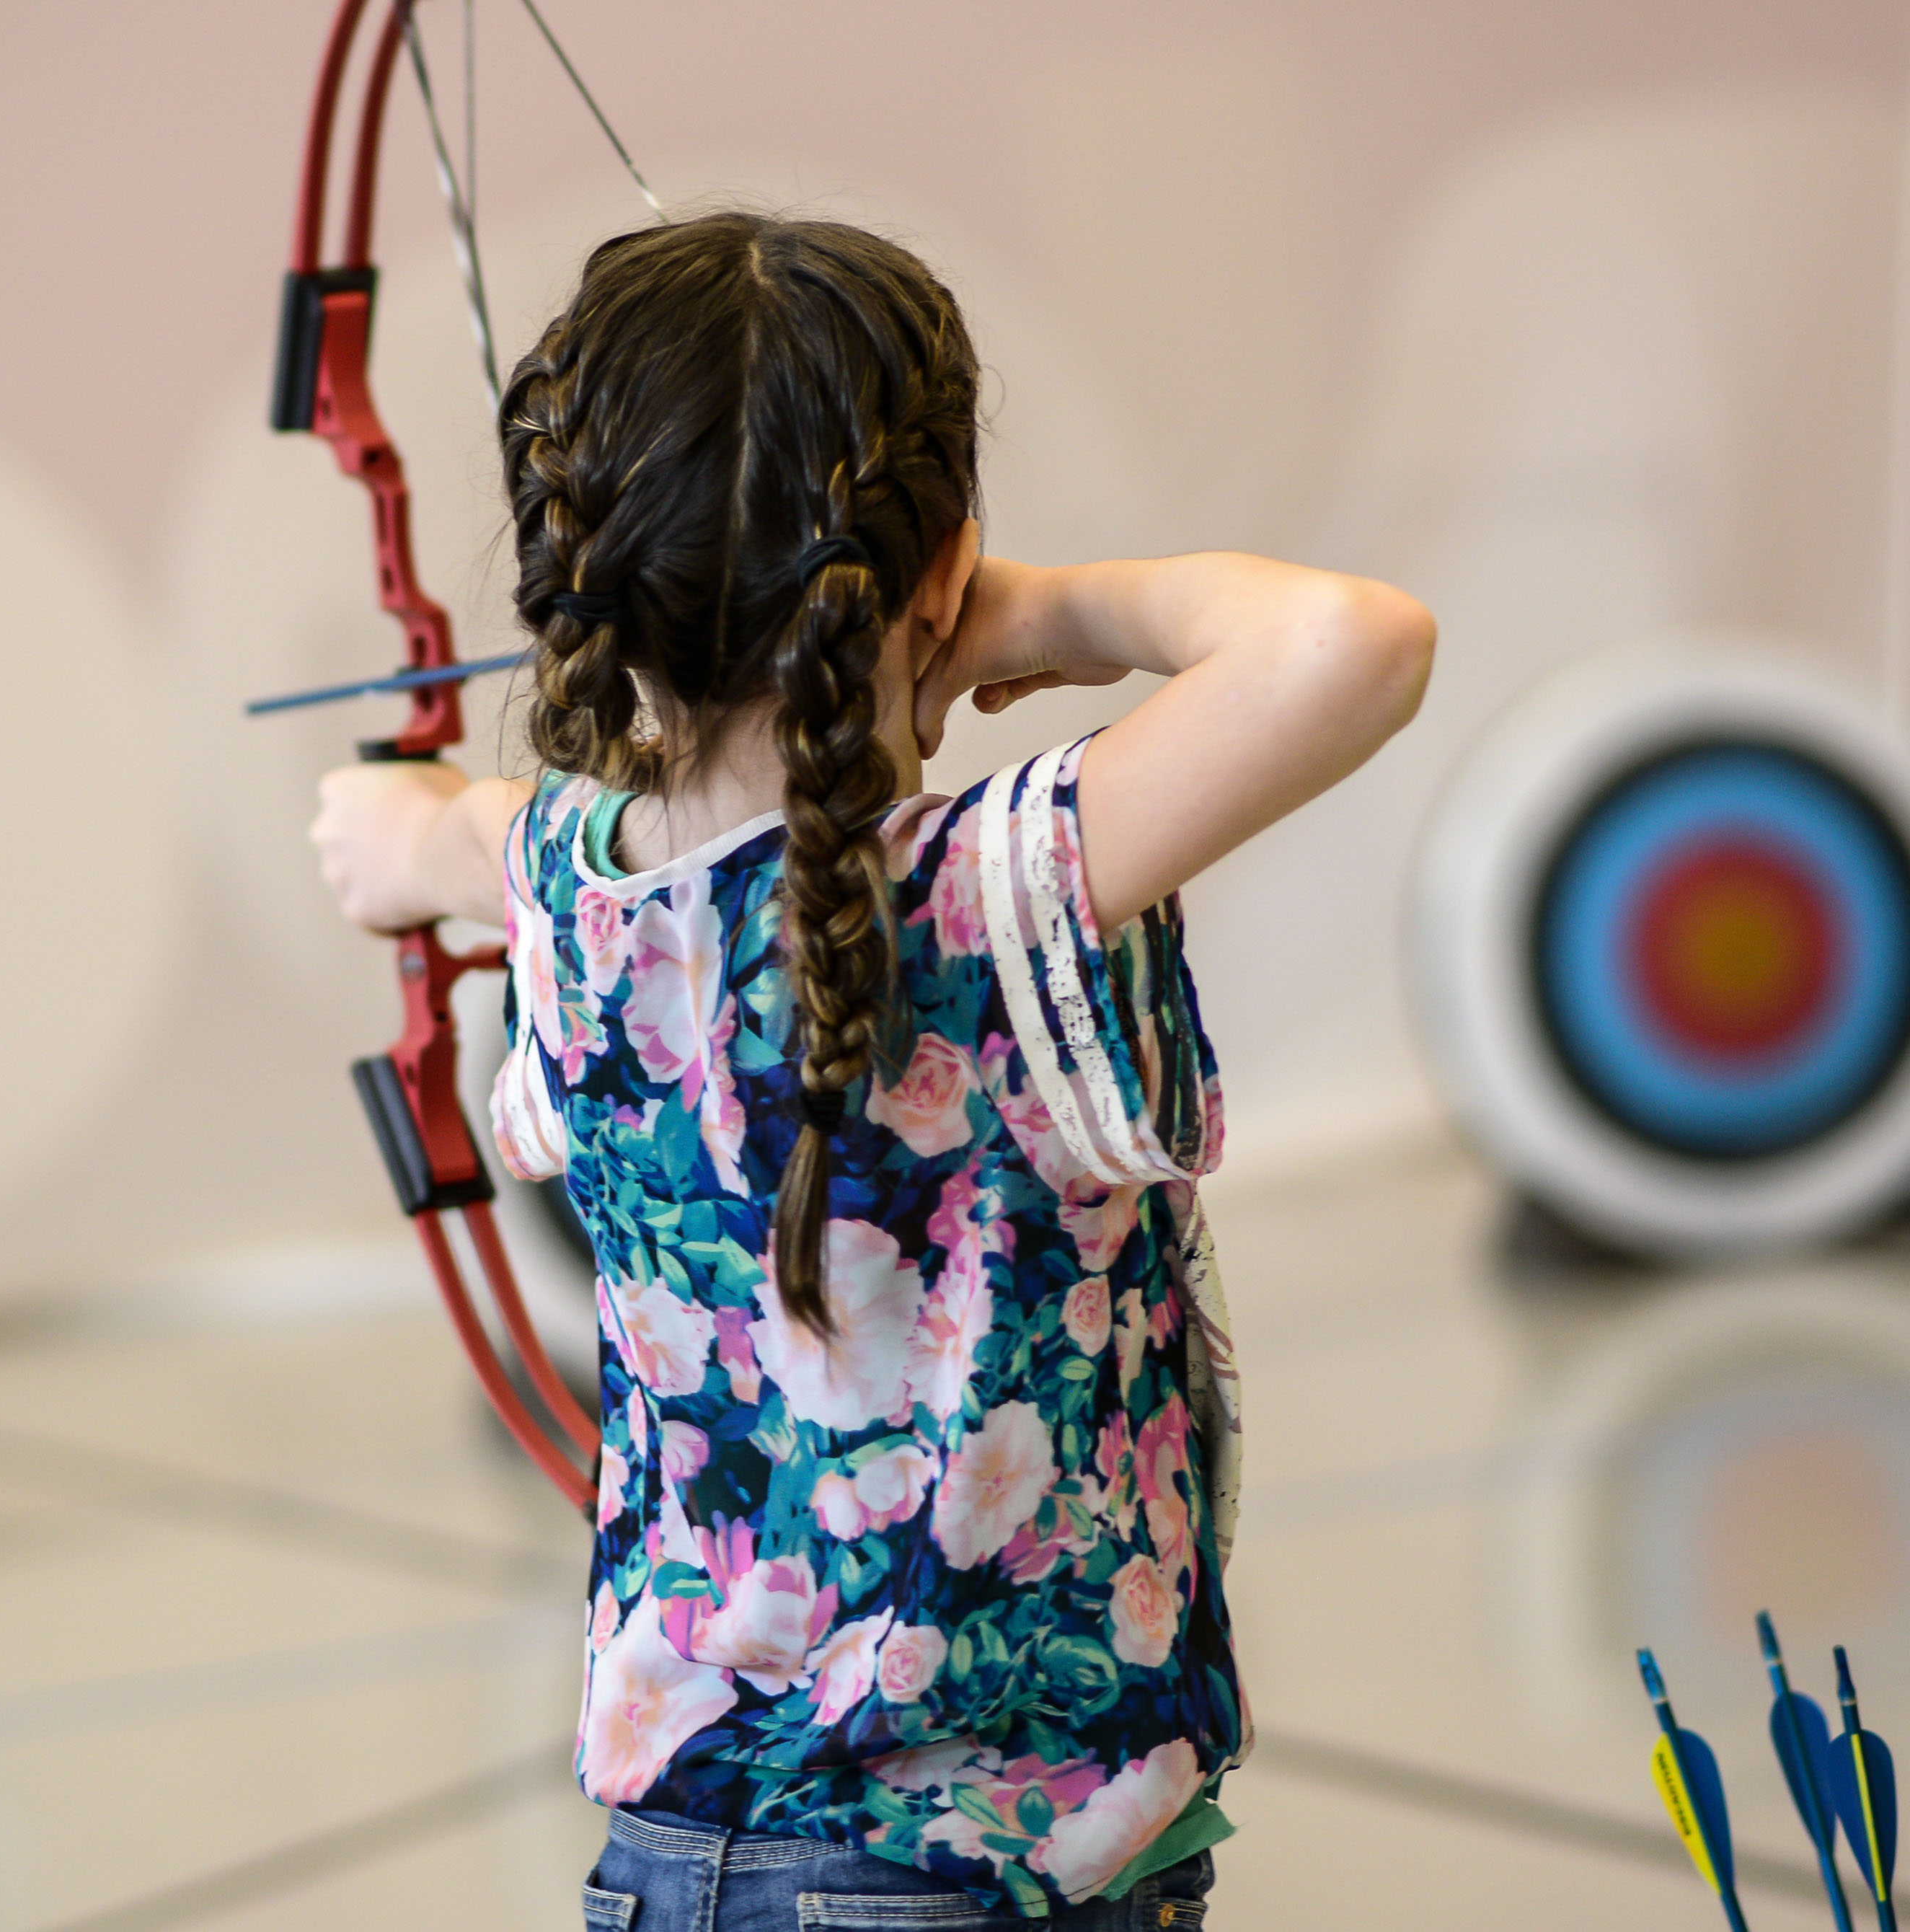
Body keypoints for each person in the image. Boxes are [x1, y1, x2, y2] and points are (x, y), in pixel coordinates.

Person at [309, 211, 1433, 1929]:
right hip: (994, 1870)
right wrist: (1050, 605)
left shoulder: (565, 886)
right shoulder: (995, 888)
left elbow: (418, 837)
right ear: (935, 571)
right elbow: (1351, 641)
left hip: (678, 1861)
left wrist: (388, 822)